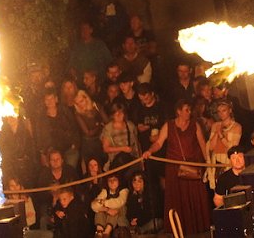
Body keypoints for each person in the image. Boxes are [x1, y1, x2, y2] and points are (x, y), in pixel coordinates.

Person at [142, 100, 211, 234]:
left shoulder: (194, 125)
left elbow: (203, 145)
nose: (189, 113)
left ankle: (198, 227)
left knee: (195, 197)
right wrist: (149, 151)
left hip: (193, 167)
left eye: (189, 110)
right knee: (178, 199)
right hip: (174, 168)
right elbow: (159, 143)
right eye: (186, 110)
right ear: (178, 111)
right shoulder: (169, 126)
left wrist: (208, 165)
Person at [206, 102, 242, 189]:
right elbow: (211, 147)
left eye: (224, 110)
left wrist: (221, 136)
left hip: (228, 161)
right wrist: (216, 133)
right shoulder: (215, 125)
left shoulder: (236, 127)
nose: (221, 114)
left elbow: (232, 148)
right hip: (216, 161)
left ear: (229, 111)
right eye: (219, 111)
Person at [100, 102, 140, 172]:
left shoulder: (130, 126)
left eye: (121, 113)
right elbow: (105, 148)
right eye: (116, 114)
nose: (119, 116)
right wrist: (122, 149)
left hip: (131, 160)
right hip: (116, 161)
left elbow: (136, 144)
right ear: (112, 115)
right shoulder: (108, 128)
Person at [72, 90, 106, 165]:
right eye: (77, 103)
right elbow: (88, 133)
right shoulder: (78, 114)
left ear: (86, 98)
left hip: (102, 140)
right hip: (89, 144)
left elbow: (106, 121)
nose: (80, 105)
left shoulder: (96, 106)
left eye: (81, 101)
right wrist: (100, 125)